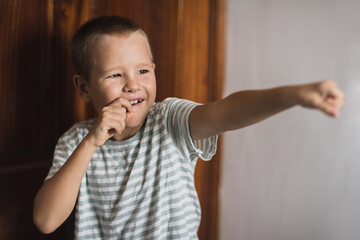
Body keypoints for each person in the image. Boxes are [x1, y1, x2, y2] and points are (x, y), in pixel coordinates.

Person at [33, 16, 345, 239]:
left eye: (143, 71)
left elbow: (226, 112)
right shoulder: (75, 141)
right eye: (115, 76)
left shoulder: (169, 119)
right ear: (84, 88)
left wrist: (295, 96)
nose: (133, 85)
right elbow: (46, 221)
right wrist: (90, 142)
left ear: (154, 71)